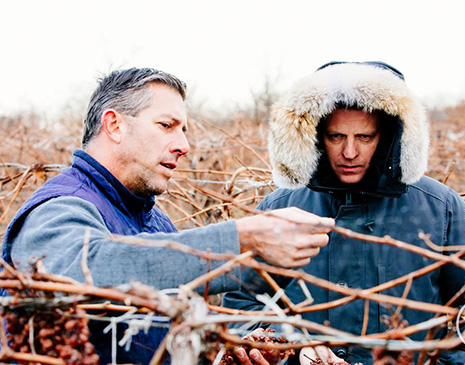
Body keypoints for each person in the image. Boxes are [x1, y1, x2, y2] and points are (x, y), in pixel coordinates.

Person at [1, 67, 335, 364]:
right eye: (166, 126)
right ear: (114, 125)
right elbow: (81, 272)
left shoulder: (155, 220)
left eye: (184, 129)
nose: (184, 145)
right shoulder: (62, 206)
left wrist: (240, 343)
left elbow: (173, 321)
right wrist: (241, 240)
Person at [223, 61, 465, 364]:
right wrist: (285, 344)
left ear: (389, 138)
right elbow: (240, 305)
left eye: (365, 138)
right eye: (336, 137)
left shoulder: (440, 207)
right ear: (316, 136)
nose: (350, 153)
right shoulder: (280, 210)